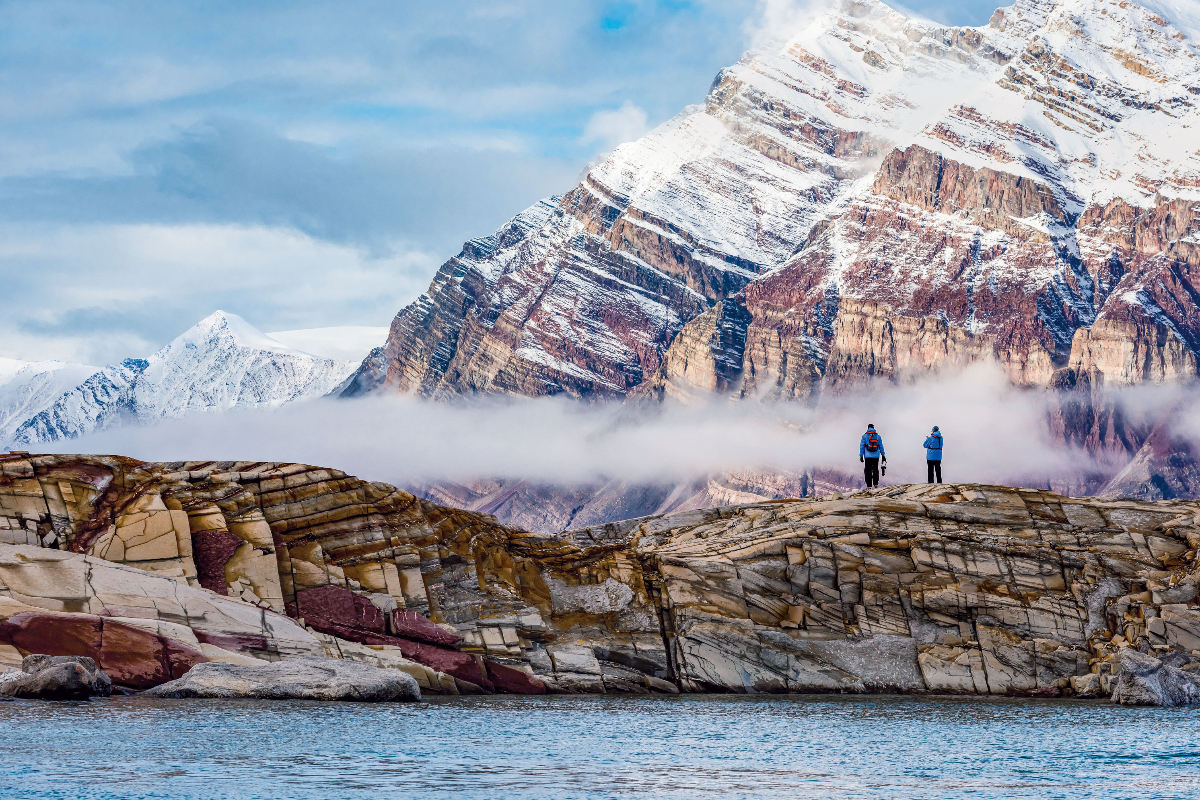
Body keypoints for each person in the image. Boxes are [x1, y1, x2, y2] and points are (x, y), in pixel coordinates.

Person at [859, 424, 885, 488]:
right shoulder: (878, 436)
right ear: (873, 428)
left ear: (868, 428)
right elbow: (881, 446)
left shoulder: (864, 436)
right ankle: (876, 484)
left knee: (868, 470)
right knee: (875, 470)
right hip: (876, 457)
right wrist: (883, 455)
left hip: (867, 457)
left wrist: (861, 455)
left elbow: (862, 446)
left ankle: (869, 485)